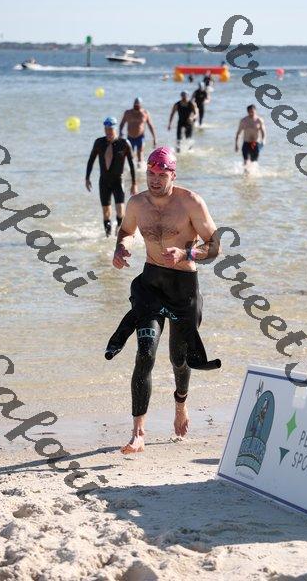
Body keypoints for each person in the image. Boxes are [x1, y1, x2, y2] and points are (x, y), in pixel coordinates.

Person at [108, 146, 221, 453]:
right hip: (151, 284)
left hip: (183, 287)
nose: (155, 180)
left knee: (179, 359)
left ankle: (180, 405)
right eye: (151, 173)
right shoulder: (137, 203)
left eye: (161, 175)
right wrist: (121, 248)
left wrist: (186, 253)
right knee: (145, 352)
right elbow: (125, 230)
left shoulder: (191, 202)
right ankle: (138, 433)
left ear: (173, 175)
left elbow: (215, 246)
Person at [86, 116, 137, 237]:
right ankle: (108, 236)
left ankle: (119, 233)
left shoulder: (124, 144)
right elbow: (91, 160)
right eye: (106, 129)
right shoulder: (99, 143)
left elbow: (131, 164)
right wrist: (87, 178)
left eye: (110, 129)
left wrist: (134, 183)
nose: (108, 132)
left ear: (115, 129)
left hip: (118, 181)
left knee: (120, 211)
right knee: (106, 213)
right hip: (104, 181)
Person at [119, 98, 157, 168]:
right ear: (133, 105)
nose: (136, 107)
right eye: (135, 105)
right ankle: (132, 170)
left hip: (140, 137)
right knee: (130, 155)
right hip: (130, 137)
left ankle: (140, 170)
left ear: (141, 105)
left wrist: (154, 138)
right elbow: (122, 124)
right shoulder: (128, 113)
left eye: (138, 106)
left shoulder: (145, 113)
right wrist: (120, 133)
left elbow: (150, 125)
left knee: (140, 153)